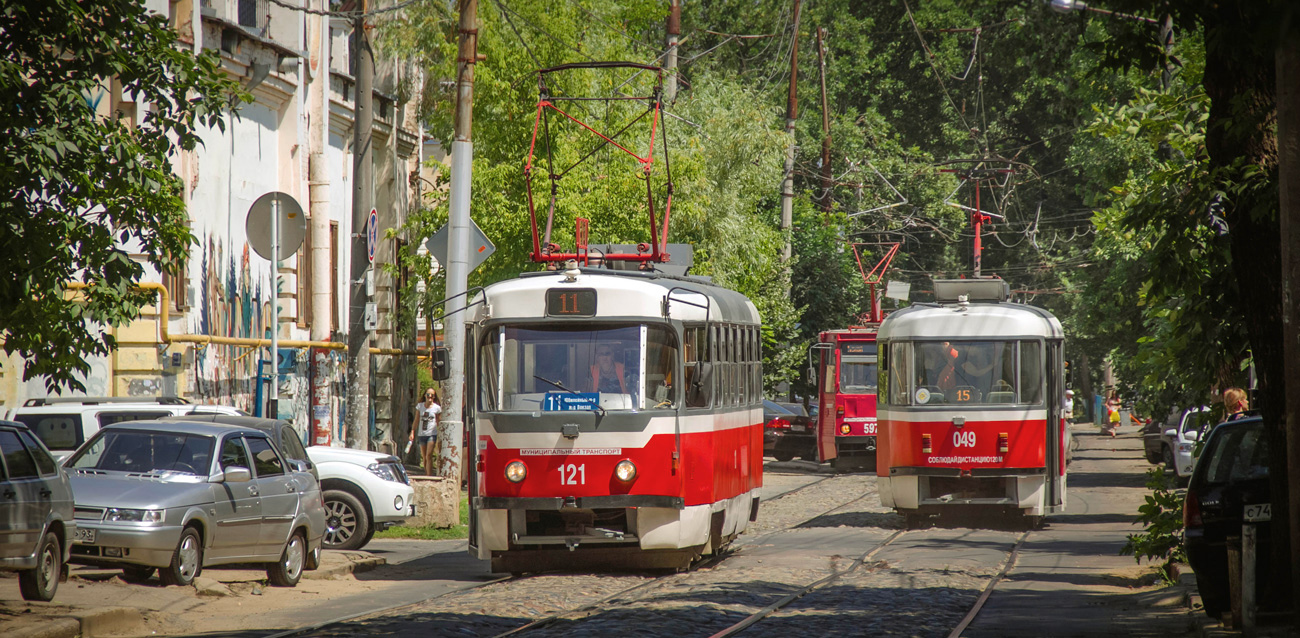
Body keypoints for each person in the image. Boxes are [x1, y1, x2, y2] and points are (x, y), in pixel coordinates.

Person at [409, 388, 441, 476]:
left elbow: (438, 421)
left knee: (428, 455)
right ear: (425, 395)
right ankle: (426, 473)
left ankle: (429, 475)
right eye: (428, 395)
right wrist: (412, 432)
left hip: (432, 434)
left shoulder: (437, 408)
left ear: (434, 397)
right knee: (424, 457)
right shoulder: (420, 406)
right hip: (421, 434)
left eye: (432, 396)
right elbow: (416, 420)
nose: (430, 397)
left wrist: (441, 433)